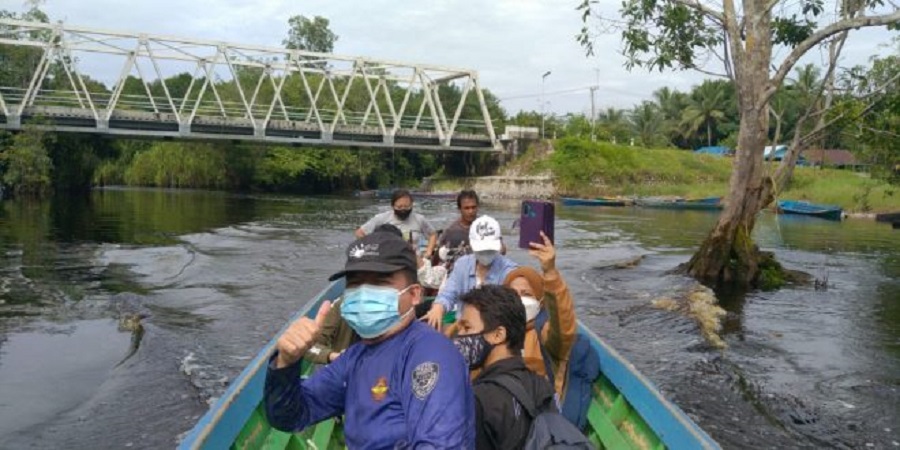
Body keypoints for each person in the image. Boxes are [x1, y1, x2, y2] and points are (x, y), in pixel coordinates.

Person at [264, 231, 474, 449]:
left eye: (379, 282)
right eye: (355, 283)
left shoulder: (430, 352)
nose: (364, 293)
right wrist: (286, 363)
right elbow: (291, 416)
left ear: (414, 295)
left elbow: (441, 444)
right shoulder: (355, 357)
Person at [452, 285, 557, 449]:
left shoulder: (479, 398)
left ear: (498, 335)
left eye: (467, 328)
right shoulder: (541, 384)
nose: (460, 337)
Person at [502, 231, 576, 400]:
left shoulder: (543, 332)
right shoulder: (497, 331)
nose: (519, 300)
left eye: (526, 294)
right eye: (513, 294)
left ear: (540, 301)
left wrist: (549, 271)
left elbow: (563, 325)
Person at [424, 215, 518, 330]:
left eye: (490, 250)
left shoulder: (510, 271)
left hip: (494, 331)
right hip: (462, 328)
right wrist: (438, 307)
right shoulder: (462, 265)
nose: (486, 253)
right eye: (481, 250)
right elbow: (448, 294)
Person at [356, 189, 438, 259]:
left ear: (412, 205)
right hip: (388, 259)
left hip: (413, 259)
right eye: (399, 207)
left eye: (406, 206)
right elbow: (360, 233)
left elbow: (432, 234)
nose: (403, 209)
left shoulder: (419, 219)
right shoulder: (381, 218)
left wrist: (428, 252)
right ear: (393, 206)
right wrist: (372, 248)